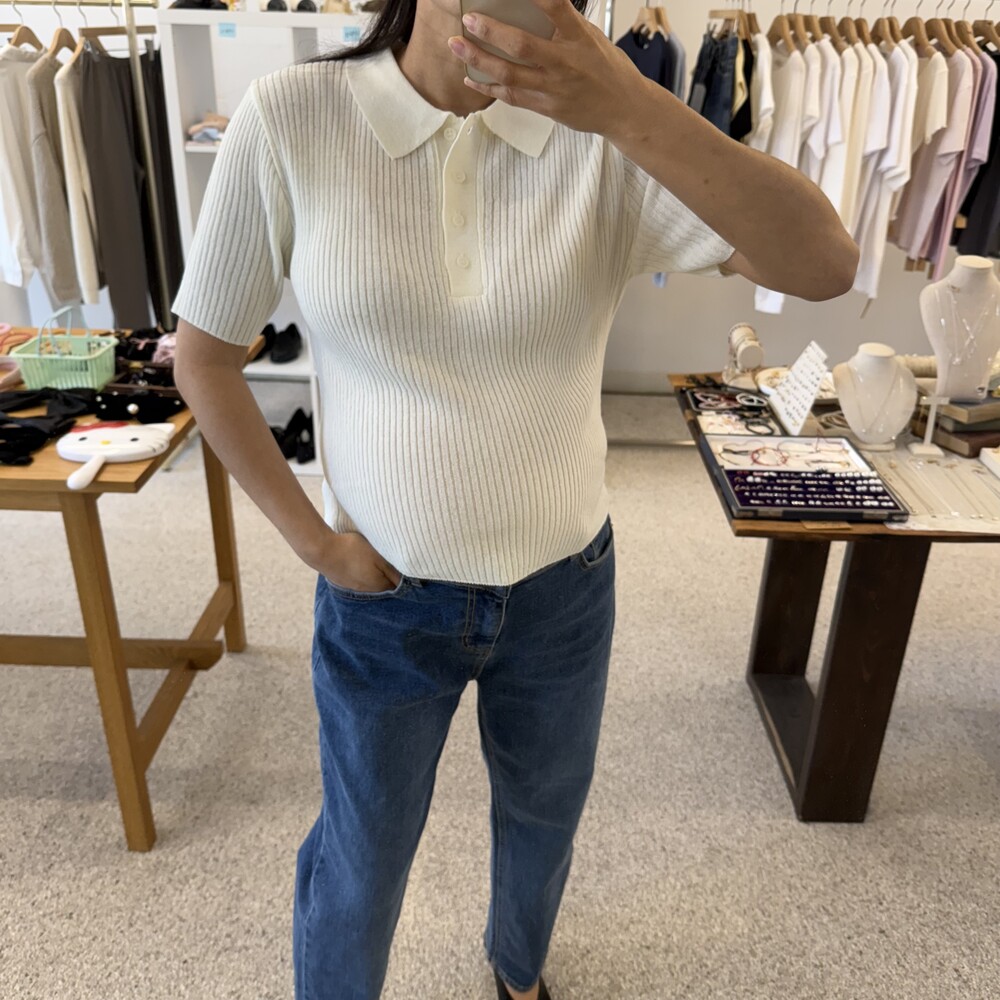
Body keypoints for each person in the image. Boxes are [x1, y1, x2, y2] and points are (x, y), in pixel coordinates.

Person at [171, 0, 858, 997]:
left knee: (544, 819)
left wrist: (628, 105)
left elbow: (825, 264)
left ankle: (519, 972)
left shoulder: (604, 131)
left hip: (563, 587)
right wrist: (315, 544)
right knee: (363, 852)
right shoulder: (293, 115)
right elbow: (203, 357)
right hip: (383, 596)